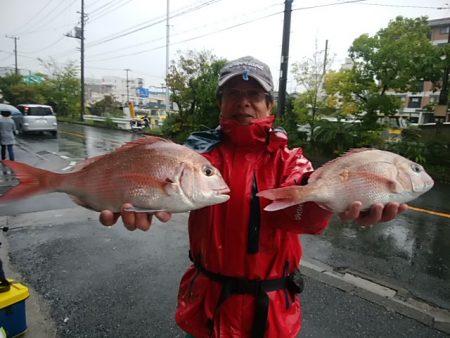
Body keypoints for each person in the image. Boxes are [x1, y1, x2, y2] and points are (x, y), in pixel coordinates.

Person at [99, 56, 407, 337]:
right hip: (206, 303)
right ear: (220, 103)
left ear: (269, 105)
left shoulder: (292, 162)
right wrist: (133, 201)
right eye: (233, 94)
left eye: (254, 95)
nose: (243, 102)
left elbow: (303, 209)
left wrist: (341, 203)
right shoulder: (194, 158)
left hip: (270, 311)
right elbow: (153, 189)